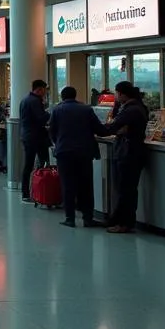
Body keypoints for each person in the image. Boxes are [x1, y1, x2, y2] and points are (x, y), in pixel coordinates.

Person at [48, 86, 104, 228]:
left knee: (67, 185)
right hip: (84, 153)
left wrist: (58, 142)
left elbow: (52, 131)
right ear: (75, 95)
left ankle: (70, 218)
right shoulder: (86, 109)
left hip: (64, 153)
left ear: (62, 97)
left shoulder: (57, 110)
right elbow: (99, 129)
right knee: (86, 185)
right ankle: (88, 218)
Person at [101, 81, 150, 234]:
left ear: (121, 93)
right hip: (133, 152)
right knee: (127, 189)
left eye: (116, 94)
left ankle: (123, 223)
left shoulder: (131, 110)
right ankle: (122, 221)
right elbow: (118, 126)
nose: (115, 97)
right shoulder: (138, 107)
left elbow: (114, 126)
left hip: (128, 153)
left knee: (125, 189)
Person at [19, 79, 50, 202]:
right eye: (44, 90)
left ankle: (26, 192)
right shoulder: (35, 101)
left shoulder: (25, 100)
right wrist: (49, 113)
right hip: (36, 137)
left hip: (27, 136)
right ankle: (41, 192)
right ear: (39, 89)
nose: (45, 93)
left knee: (28, 164)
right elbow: (41, 119)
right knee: (43, 163)